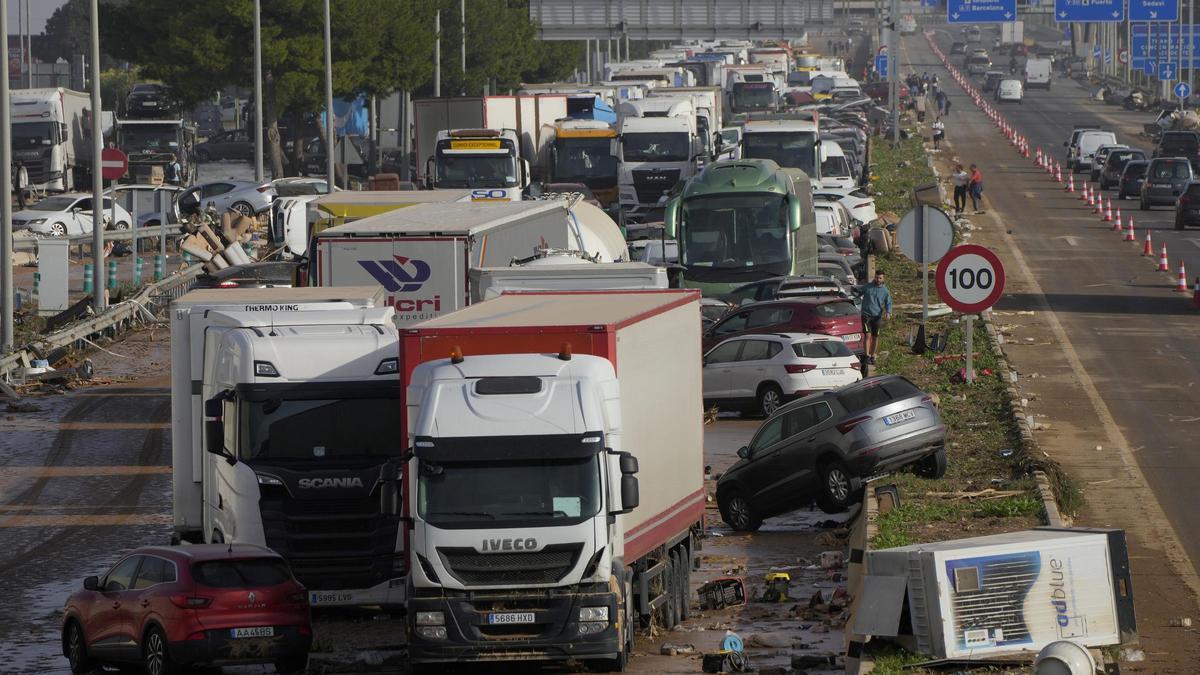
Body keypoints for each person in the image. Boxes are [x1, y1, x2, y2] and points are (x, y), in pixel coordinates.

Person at [856, 271, 893, 366]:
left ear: (883, 279)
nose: (878, 280)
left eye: (880, 278)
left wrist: (888, 312)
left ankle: (873, 355)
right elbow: (858, 293)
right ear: (874, 278)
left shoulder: (885, 291)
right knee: (867, 335)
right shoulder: (868, 287)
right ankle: (867, 355)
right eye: (876, 278)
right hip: (866, 315)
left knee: (875, 336)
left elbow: (888, 302)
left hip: (877, 316)